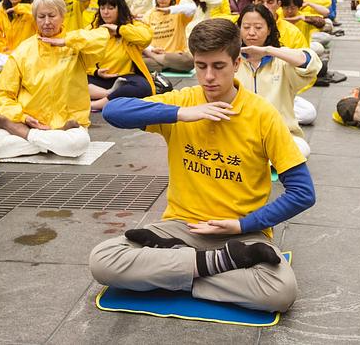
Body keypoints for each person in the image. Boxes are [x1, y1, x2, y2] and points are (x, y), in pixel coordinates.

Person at [90, 19, 315, 312]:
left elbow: (302, 193)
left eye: (218, 66)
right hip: (180, 228)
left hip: (242, 235)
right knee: (103, 260)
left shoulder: (262, 114)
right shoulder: (184, 102)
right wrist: (182, 114)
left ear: (237, 63)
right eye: (201, 66)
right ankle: (215, 264)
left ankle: (175, 273)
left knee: (280, 292)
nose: (209, 76)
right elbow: (114, 110)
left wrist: (243, 224)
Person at [0, 0, 109, 160]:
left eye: (52, 16)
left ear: (62, 15)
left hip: (69, 124)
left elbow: (103, 38)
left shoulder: (75, 45)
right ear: (35, 18)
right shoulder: (23, 51)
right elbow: (2, 94)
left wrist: (66, 41)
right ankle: (49, 141)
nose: (46, 22)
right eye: (41, 17)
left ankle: (26, 135)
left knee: (78, 144)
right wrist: (22, 117)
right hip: (29, 122)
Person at [237, 4, 322, 155]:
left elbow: (310, 62)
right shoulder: (232, 61)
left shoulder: (281, 59)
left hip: (279, 134)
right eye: (246, 27)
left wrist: (268, 50)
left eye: (258, 27)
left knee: (301, 149)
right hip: (240, 135)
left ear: (269, 29)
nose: (251, 33)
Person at [87, 0, 155, 111]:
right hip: (100, 79)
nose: (105, 12)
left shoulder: (131, 25)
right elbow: (82, 56)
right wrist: (96, 72)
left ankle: (95, 104)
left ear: (120, 9)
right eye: (102, 8)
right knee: (71, 80)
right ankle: (109, 94)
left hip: (125, 78)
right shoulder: (93, 28)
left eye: (111, 8)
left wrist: (119, 29)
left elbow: (146, 38)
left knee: (144, 87)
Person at [143, 0, 196, 73]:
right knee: (138, 62)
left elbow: (193, 8)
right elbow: (143, 38)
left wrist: (171, 9)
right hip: (155, 54)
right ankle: (170, 65)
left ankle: (162, 63)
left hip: (176, 56)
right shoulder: (149, 14)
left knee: (189, 60)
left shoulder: (178, 12)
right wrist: (152, 49)